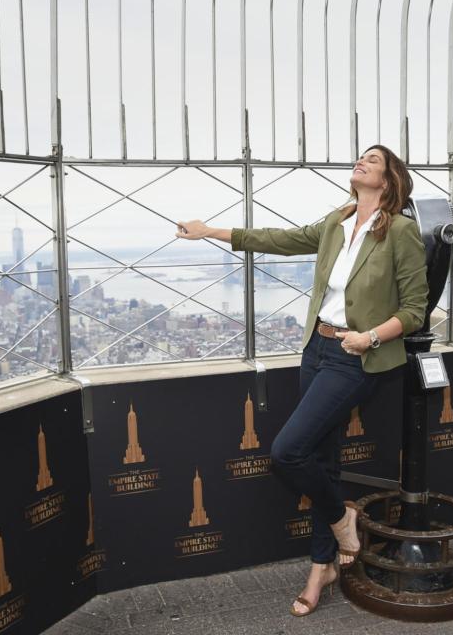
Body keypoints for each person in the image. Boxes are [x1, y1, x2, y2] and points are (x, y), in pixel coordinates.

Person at [175, 144, 428, 617]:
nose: (362, 162)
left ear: (391, 180)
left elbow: (415, 309)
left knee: (288, 452)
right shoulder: (337, 221)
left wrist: (369, 337)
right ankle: (321, 569)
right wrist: (211, 231)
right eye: (361, 157)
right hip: (317, 348)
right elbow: (281, 239)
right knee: (321, 461)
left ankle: (342, 517)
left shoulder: (401, 232)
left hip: (355, 357)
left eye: (374, 160)